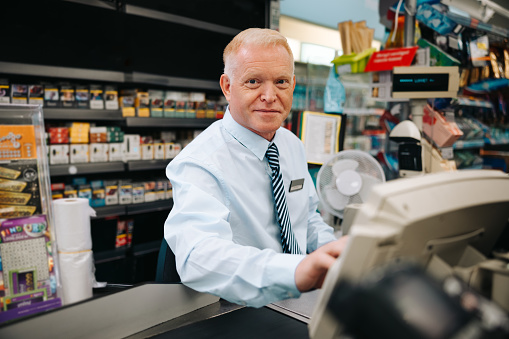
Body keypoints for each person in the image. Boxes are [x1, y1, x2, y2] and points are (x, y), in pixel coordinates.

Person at [164, 28, 348, 308]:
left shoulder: (291, 145)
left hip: (303, 296)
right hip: (242, 308)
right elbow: (198, 256)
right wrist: (294, 272)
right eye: (253, 81)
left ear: (293, 85)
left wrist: (336, 255)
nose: (270, 95)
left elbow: (307, 219)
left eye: (281, 82)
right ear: (227, 86)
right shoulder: (199, 163)